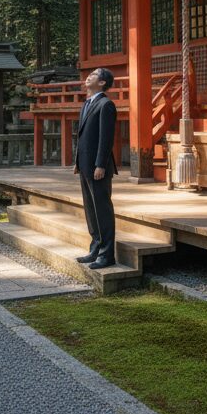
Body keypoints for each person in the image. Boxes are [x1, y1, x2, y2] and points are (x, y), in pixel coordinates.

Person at [73, 67, 119, 270]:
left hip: (98, 166)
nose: (88, 77)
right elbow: (82, 137)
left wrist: (101, 164)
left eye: (93, 75)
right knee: (90, 209)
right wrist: (77, 162)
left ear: (102, 83)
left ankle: (107, 255)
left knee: (102, 210)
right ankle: (95, 248)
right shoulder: (87, 103)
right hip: (85, 164)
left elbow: (106, 138)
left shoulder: (106, 104)